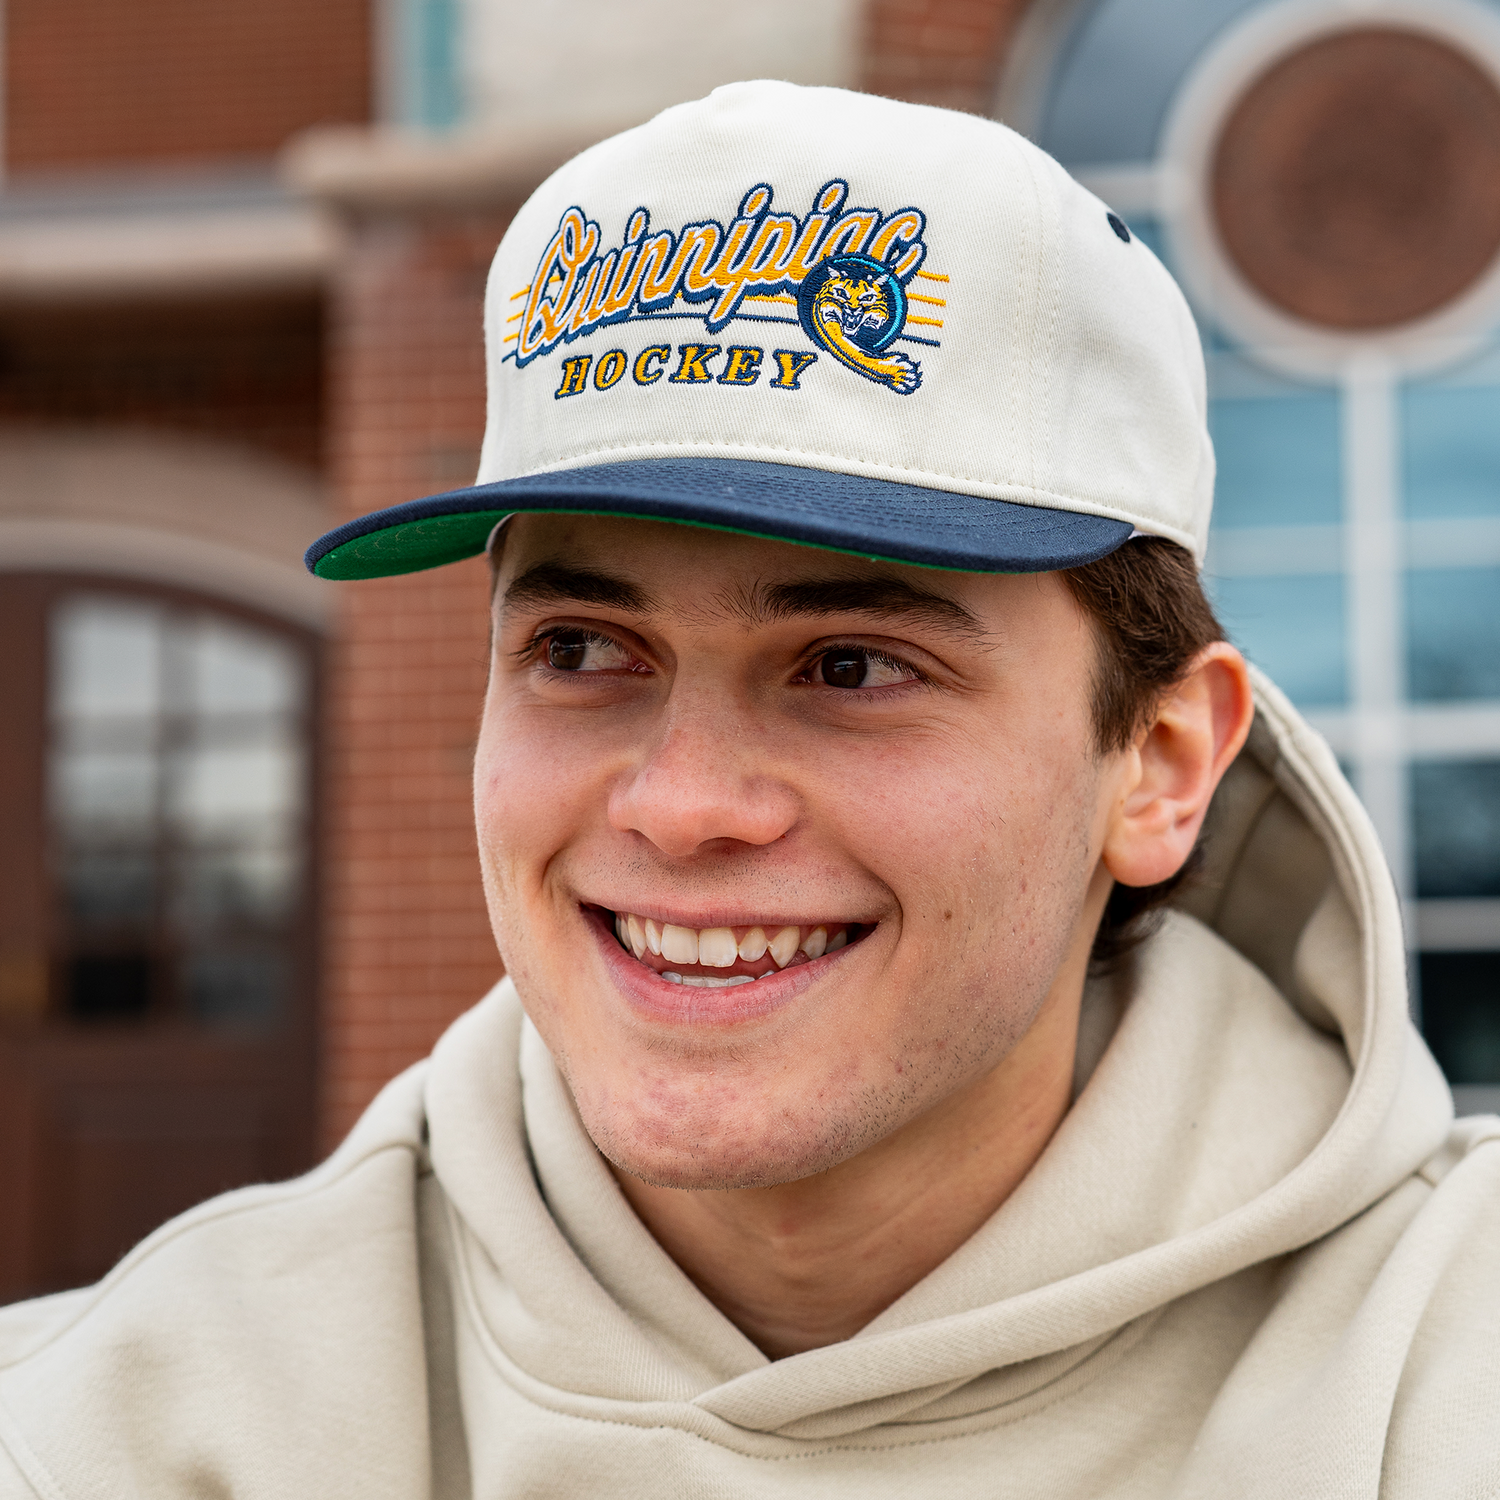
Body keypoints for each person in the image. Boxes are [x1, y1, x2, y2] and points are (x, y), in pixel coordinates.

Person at [2, 81, 1496, 1499]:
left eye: (852, 667)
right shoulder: (110, 1435)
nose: (681, 804)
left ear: (1160, 767)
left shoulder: (1445, 1368)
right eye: (582, 650)